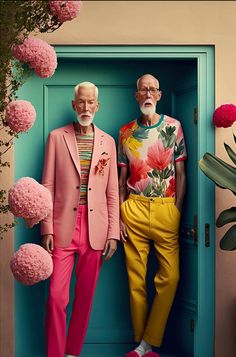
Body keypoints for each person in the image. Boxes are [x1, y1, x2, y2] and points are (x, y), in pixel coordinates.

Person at [41, 81, 120, 357]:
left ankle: (72, 352)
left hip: (95, 230)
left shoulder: (108, 142)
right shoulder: (55, 138)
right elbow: (47, 186)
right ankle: (55, 353)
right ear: (74, 105)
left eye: (91, 103)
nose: (86, 108)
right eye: (81, 102)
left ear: (97, 106)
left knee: (85, 298)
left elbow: (112, 192)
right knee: (56, 298)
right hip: (62, 226)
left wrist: (113, 233)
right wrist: (46, 227)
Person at [118, 74, 187, 357]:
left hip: (165, 209)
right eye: (143, 89)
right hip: (133, 209)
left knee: (169, 278)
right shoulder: (124, 131)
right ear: (136, 96)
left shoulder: (174, 127)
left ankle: (147, 342)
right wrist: (120, 215)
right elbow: (120, 178)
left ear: (159, 95)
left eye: (153, 89)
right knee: (136, 281)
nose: (148, 93)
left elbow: (181, 174)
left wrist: (176, 210)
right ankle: (142, 346)